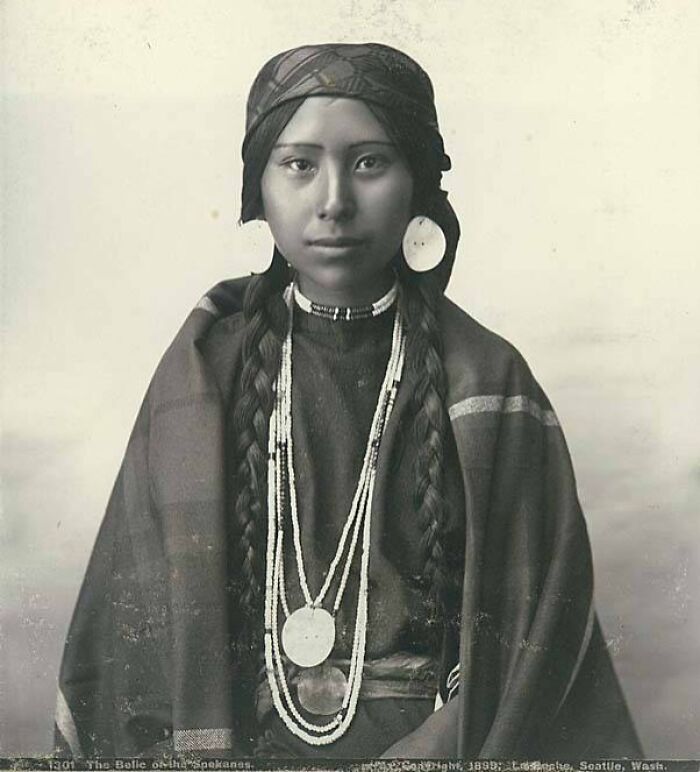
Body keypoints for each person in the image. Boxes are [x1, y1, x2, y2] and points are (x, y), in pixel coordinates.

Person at [54, 43, 642, 759]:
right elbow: (132, 655)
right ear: (258, 191)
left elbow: (536, 636)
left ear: (419, 186)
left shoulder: (490, 385)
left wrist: (444, 739)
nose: (333, 200)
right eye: (299, 164)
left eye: (369, 163)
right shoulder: (199, 384)